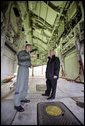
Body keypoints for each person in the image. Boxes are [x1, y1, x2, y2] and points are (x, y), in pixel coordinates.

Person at [14, 44, 36, 112]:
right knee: (20, 86)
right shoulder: (22, 52)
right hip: (22, 69)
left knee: (25, 85)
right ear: (27, 47)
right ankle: (16, 104)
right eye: (30, 47)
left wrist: (30, 65)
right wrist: (30, 56)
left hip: (26, 69)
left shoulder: (27, 54)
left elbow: (26, 62)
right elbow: (20, 58)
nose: (30, 49)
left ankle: (23, 98)